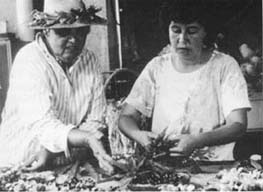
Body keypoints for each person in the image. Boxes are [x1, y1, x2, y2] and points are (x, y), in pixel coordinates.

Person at [119, 0, 251, 161]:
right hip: (164, 166)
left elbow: (238, 125)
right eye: (176, 30)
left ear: (206, 33)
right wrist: (138, 135)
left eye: (192, 31)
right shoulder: (157, 67)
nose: (182, 39)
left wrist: (197, 141)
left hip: (214, 168)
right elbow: (126, 117)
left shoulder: (224, 66)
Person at [0, 0, 113, 173]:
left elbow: (95, 120)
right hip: (21, 163)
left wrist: (56, 150)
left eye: (81, 32)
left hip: (64, 164)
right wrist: (86, 139)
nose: (74, 40)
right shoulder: (29, 60)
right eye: (63, 32)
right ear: (46, 30)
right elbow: (44, 125)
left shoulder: (90, 60)